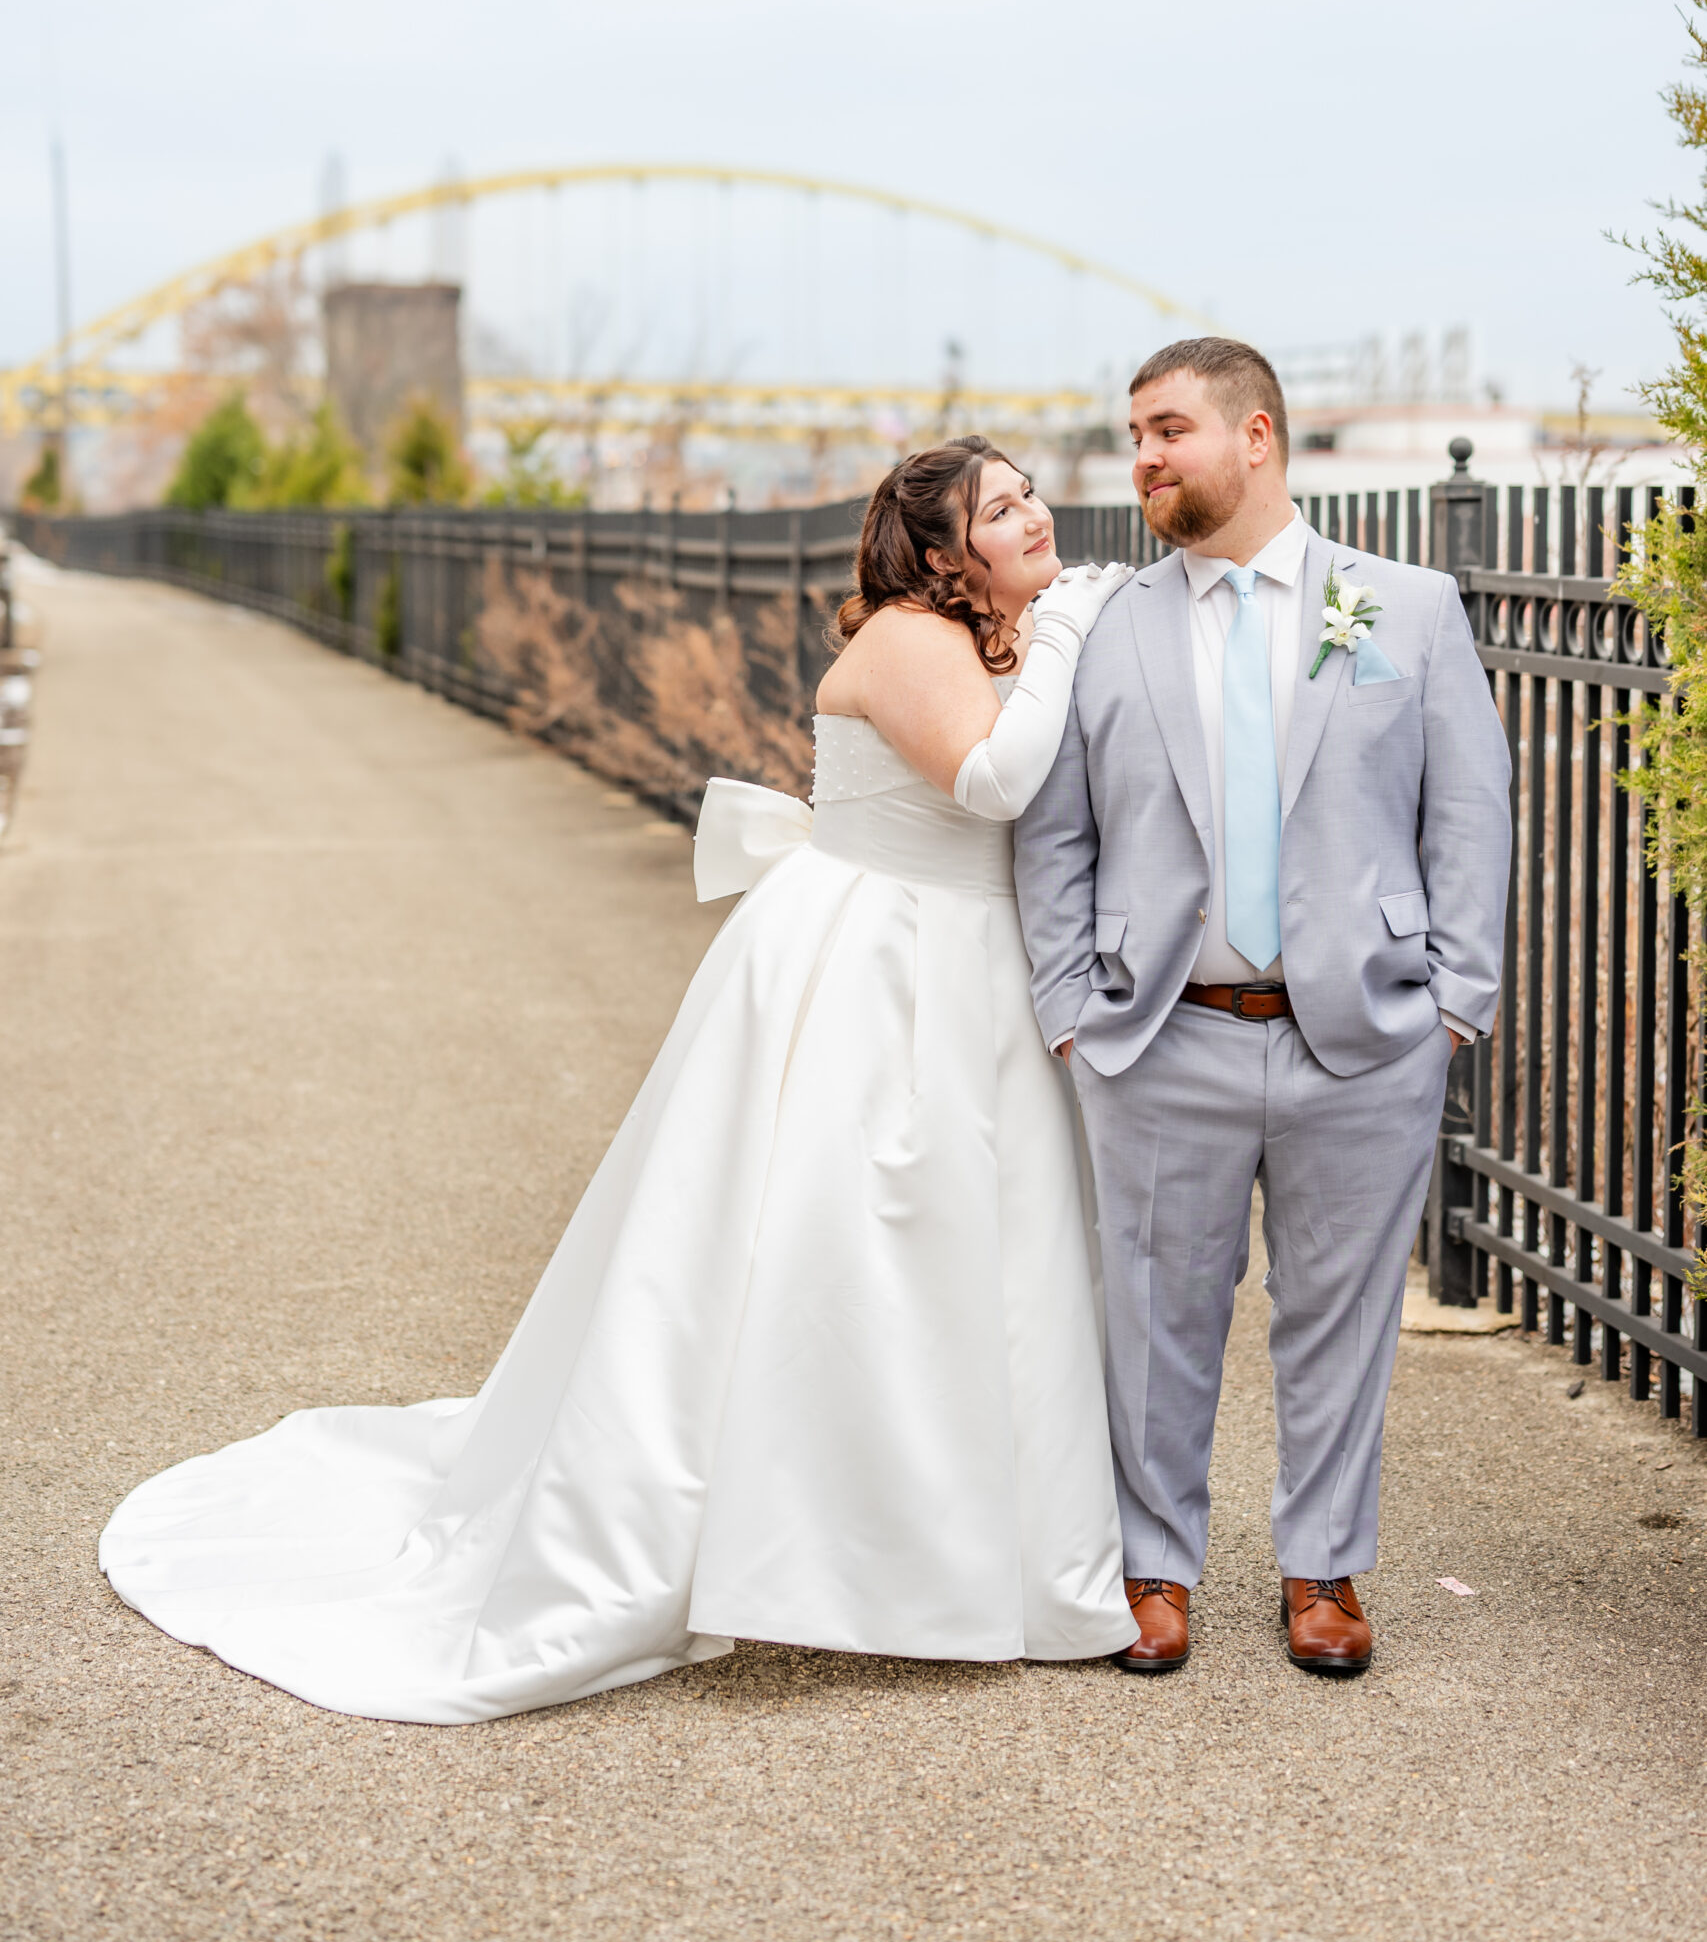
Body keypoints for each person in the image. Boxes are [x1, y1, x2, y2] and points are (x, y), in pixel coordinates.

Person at [100, 438, 1135, 1721]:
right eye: (1003, 507)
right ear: (939, 553)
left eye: (1032, 494)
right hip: (889, 966)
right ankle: (828, 1539)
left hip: (973, 963)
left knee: (983, 1265)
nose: (1037, 514)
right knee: (840, 1254)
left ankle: (979, 1544)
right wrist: (1078, 627)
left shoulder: (995, 641)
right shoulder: (914, 641)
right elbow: (992, 779)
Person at [1015, 341, 1510, 1678]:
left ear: (1256, 438)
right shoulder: (1099, 622)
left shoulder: (1400, 609)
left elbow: (1464, 811)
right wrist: (1071, 1008)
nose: (1145, 457)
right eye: (1133, 434)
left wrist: (1450, 1005)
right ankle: (1151, 1568)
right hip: (1156, 1032)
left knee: (1338, 1315)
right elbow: (1052, 833)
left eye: (1168, 428)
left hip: (1363, 1038)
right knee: (1153, 1309)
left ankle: (1322, 1572)